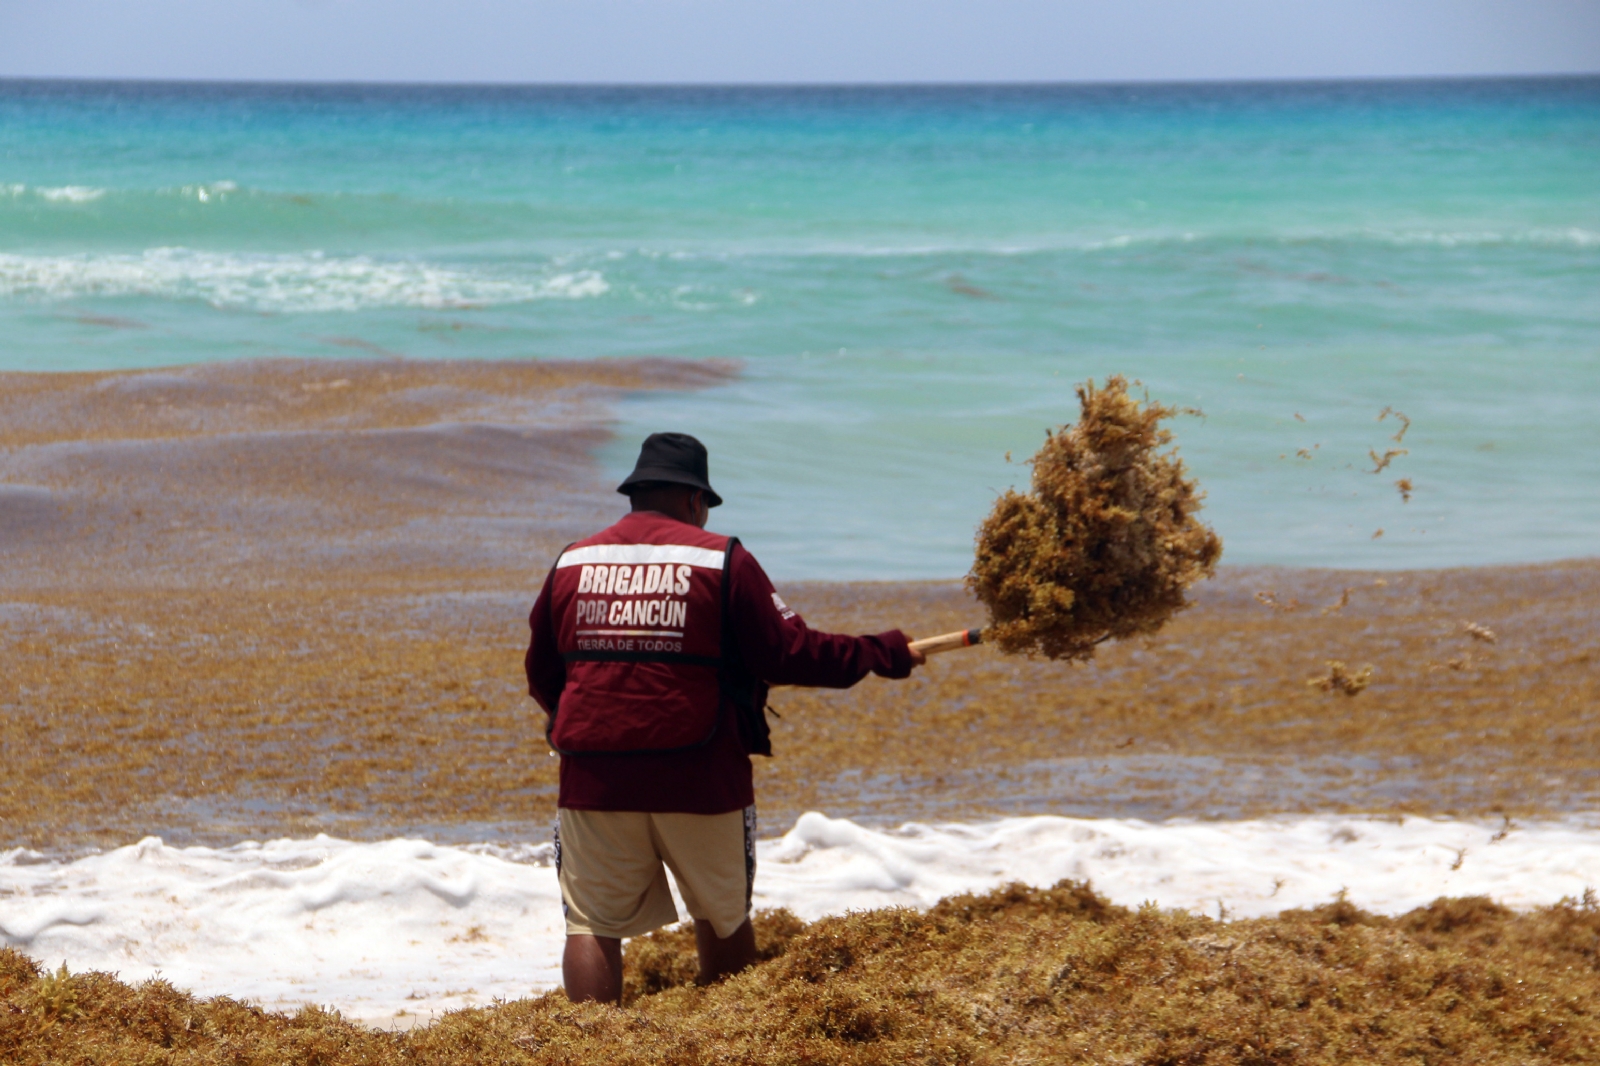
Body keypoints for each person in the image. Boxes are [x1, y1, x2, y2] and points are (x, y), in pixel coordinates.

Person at [525, 431, 924, 1004]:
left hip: (594, 778)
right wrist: (882, 653)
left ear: (635, 495)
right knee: (724, 918)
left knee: (591, 925)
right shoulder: (721, 558)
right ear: (695, 500)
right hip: (702, 776)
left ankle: (590, 1047)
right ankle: (730, 1036)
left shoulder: (573, 561)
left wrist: (591, 730)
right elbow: (790, 653)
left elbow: (542, 672)